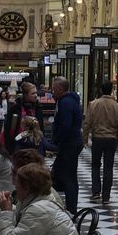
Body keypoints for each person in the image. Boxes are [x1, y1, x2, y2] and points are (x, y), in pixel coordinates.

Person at [82, 80, 118, 205]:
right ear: (111, 90)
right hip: (111, 139)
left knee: (95, 165)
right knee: (108, 167)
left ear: (101, 90)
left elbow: (87, 123)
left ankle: (96, 192)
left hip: (98, 138)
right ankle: (106, 196)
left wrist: (85, 139)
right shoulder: (117, 106)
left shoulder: (93, 104)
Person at [51, 76, 84, 215]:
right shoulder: (70, 101)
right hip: (72, 142)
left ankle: (71, 209)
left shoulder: (65, 103)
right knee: (60, 174)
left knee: (69, 177)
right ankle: (60, 205)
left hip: (69, 143)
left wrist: (56, 140)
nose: (52, 91)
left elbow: (66, 125)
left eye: (54, 89)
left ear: (59, 88)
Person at [3, 80, 45, 153]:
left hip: (35, 146)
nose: (36, 95)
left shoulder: (38, 108)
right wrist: (9, 148)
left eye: (36, 93)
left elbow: (41, 128)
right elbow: (8, 129)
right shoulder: (15, 109)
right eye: (33, 93)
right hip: (18, 146)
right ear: (25, 95)